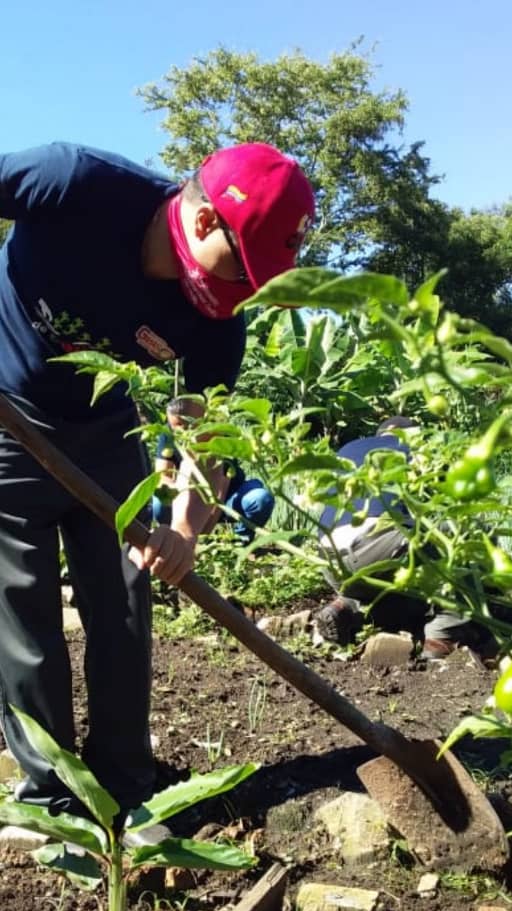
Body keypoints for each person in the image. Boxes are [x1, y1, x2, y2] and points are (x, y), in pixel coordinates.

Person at [0, 141, 314, 821]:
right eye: (246, 269)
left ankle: (124, 785)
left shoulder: (218, 325)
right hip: (8, 422)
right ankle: (51, 798)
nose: (248, 293)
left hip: (108, 438)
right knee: (23, 613)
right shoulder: (73, 183)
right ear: (203, 222)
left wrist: (183, 528)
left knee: (123, 604)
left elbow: (205, 438)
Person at [312, 419, 497, 660]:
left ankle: (346, 608)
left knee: (400, 589)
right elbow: (452, 504)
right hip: (377, 544)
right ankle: (444, 633)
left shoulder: (349, 449)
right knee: (471, 531)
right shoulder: (412, 449)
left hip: (330, 560)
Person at [151, 397, 275, 544]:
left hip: (228, 498)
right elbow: (163, 476)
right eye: (173, 426)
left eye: (183, 425)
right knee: (159, 502)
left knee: (260, 499)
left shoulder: (216, 432)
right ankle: (172, 540)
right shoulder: (168, 433)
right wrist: (180, 493)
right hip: (188, 495)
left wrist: (202, 536)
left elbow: (220, 490)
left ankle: (239, 542)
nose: (178, 431)